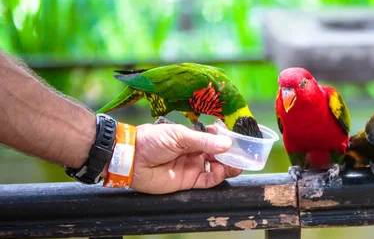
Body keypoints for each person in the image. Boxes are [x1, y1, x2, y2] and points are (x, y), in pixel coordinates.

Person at [0, 51, 242, 194]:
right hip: (154, 89)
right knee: (162, 113)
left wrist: (123, 151)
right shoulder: (205, 86)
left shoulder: (215, 100)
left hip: (127, 152)